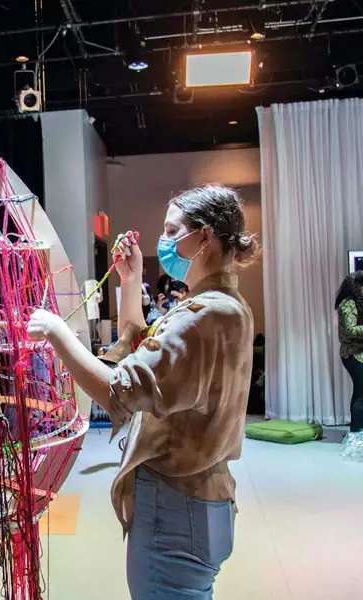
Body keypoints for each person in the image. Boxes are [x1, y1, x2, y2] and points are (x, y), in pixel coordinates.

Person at [28, 185, 257, 599]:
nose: (164, 241)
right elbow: (144, 353)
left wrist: (57, 332)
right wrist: (131, 282)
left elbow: (120, 392)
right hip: (204, 505)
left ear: (204, 237)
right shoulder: (224, 306)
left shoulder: (202, 317)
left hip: (176, 510)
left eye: (172, 231)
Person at [335, 271, 363, 461]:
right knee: (361, 394)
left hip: (359, 354)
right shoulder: (347, 304)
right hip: (352, 355)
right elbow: (350, 330)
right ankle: (356, 434)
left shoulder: (356, 302)